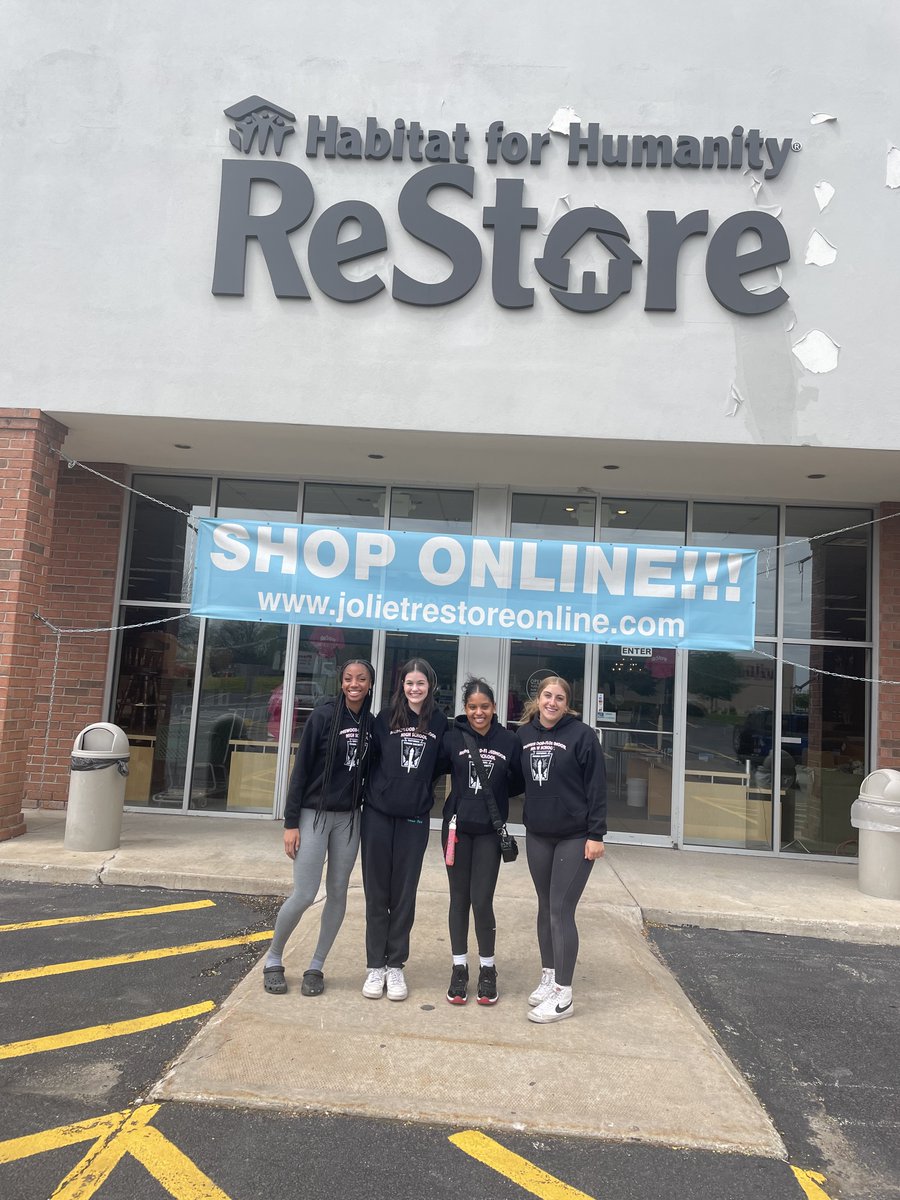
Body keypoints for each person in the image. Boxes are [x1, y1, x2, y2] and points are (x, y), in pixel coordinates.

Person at [261, 659, 375, 997]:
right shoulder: (324, 716)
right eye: (348, 678)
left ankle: (316, 966)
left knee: (338, 893)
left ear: (370, 684)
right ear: (341, 682)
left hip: (350, 818)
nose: (354, 684)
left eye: (362, 679)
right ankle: (273, 958)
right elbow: (301, 770)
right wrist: (291, 823)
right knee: (305, 893)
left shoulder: (370, 723)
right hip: (314, 814)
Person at [516, 676, 606, 1024]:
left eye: (559, 697)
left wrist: (596, 834)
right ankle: (550, 977)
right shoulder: (522, 736)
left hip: (574, 835)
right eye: (547, 696)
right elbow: (509, 779)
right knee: (544, 907)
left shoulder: (582, 735)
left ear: (567, 703)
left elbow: (596, 787)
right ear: (537, 699)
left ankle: (564, 995)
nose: (552, 702)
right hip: (538, 834)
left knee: (560, 909)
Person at [361, 658, 448, 1001]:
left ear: (430, 686)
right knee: (377, 892)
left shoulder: (439, 722)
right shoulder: (384, 719)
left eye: (421, 684)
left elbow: (441, 764)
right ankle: (374, 967)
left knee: (404, 893)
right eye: (409, 683)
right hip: (378, 815)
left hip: (414, 818)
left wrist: (419, 792)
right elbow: (371, 762)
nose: (415, 689)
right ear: (402, 686)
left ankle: (395, 965)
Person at [441, 677, 522, 1006]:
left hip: (490, 831)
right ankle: (459, 967)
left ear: (494, 708)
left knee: (482, 900)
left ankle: (487, 969)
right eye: (472, 707)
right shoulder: (452, 738)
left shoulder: (509, 741)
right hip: (457, 830)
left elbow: (517, 782)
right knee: (459, 900)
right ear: (465, 708)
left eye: (484, 707)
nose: (478, 712)